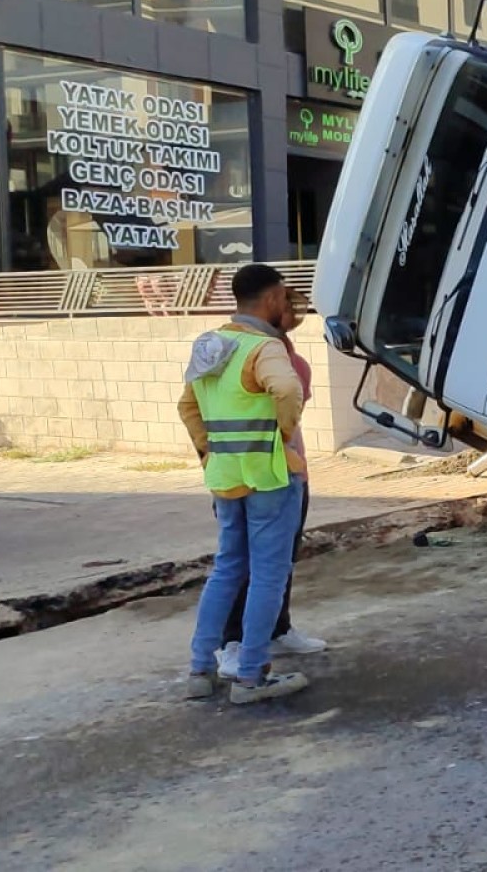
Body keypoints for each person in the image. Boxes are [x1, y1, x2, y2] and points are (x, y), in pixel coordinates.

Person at [178, 264, 311, 705]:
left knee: (227, 569)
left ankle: (201, 669)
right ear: (272, 298)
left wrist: (208, 451)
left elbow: (187, 406)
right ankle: (251, 677)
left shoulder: (211, 344)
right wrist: (283, 436)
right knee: (269, 575)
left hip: (225, 476)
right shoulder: (263, 348)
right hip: (270, 476)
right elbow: (288, 391)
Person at [213, 285, 326, 679]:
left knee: (279, 561)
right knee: (242, 565)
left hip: (287, 472)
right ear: (268, 303)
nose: (294, 311)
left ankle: (277, 628)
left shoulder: (284, 353)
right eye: (286, 302)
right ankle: (232, 645)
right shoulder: (233, 348)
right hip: (249, 473)